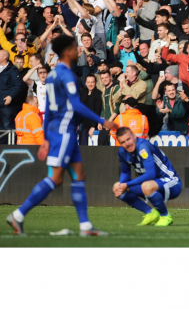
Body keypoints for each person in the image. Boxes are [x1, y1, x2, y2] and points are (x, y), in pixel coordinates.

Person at [6, 34, 118, 236]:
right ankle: (18, 215)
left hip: (59, 131)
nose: (78, 50)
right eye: (75, 48)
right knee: (56, 178)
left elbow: (49, 108)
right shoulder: (67, 75)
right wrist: (102, 121)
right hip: (64, 131)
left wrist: (46, 139)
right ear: (67, 52)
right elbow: (75, 105)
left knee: (79, 175)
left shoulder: (52, 75)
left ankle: (85, 226)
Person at [113, 128, 181, 227]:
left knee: (146, 186)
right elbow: (125, 172)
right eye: (123, 142)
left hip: (172, 183)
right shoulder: (122, 152)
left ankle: (165, 216)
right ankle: (150, 213)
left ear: (134, 136)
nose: (127, 144)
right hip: (151, 185)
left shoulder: (143, 147)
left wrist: (126, 184)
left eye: (128, 139)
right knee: (116, 186)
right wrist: (121, 186)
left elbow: (151, 174)